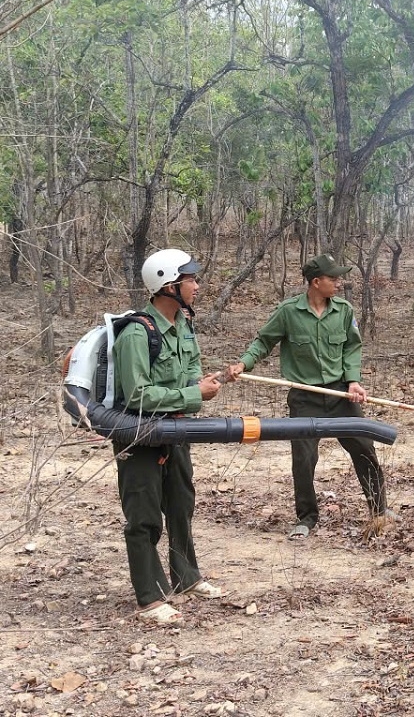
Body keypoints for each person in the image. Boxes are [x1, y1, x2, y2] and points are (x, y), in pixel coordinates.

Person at [225, 254, 390, 540]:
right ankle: (306, 517)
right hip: (305, 398)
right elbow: (264, 341)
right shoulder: (288, 312)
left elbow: (352, 347)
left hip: (340, 395)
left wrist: (353, 381)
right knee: (303, 459)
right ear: (316, 282)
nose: (339, 283)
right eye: (333, 278)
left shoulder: (344, 310)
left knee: (364, 449)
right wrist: (243, 363)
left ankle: (379, 511)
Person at [112, 248, 227, 625]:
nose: (196, 285)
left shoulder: (183, 326)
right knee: (143, 515)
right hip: (141, 437)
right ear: (169, 285)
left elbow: (189, 371)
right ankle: (149, 596)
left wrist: (201, 384)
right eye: (190, 279)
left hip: (177, 431)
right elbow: (137, 395)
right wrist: (193, 395)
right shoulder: (136, 333)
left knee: (181, 505)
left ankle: (186, 577)